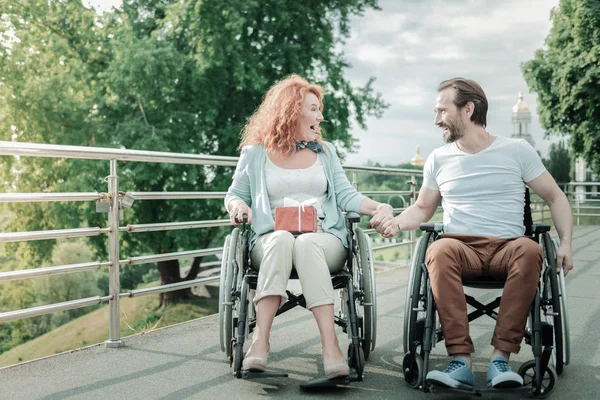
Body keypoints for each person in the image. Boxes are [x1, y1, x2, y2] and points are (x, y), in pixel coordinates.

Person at [371, 77, 574, 390]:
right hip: (460, 247)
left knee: (532, 250)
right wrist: (396, 222)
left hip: (510, 247)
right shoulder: (438, 159)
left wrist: (567, 244)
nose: (436, 118)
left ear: (468, 109)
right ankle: (461, 361)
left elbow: (556, 197)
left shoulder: (517, 150)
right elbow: (423, 208)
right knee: (437, 250)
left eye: (442, 110)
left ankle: (500, 360)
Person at [224, 74, 393, 379]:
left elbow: (346, 196)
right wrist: (238, 206)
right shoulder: (254, 154)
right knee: (281, 240)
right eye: (313, 109)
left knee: (305, 243)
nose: (320, 116)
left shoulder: (325, 153)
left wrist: (379, 207)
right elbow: (235, 195)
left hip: (323, 240)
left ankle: (331, 347)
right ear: (291, 111)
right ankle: (260, 341)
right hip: (270, 241)